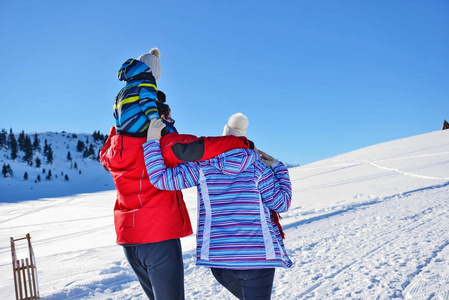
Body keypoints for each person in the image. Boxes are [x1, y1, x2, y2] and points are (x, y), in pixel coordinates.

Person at [101, 54, 255, 299]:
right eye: (169, 117)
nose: (172, 122)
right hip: (158, 238)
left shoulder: (113, 150)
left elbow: (112, 137)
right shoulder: (162, 145)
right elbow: (200, 147)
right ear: (160, 118)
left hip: (130, 242)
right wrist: (240, 141)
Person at [142, 113, 293, 300]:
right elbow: (281, 203)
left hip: (219, 261)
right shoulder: (258, 168)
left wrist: (152, 141)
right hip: (258, 260)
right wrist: (278, 168)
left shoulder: (202, 167)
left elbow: (160, 179)